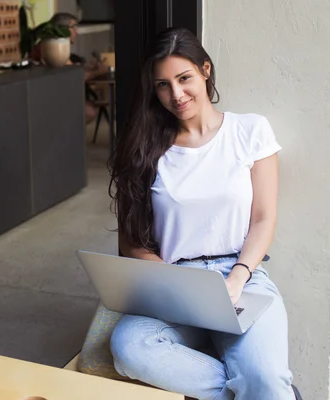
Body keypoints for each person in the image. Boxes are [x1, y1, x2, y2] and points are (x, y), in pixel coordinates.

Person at [107, 27, 302, 400]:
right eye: (163, 85)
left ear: (205, 70)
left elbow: (263, 219)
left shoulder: (250, 130)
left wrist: (239, 276)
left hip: (241, 276)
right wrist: (168, 279)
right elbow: (130, 243)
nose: (176, 95)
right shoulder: (146, 149)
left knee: (266, 377)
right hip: (178, 281)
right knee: (130, 347)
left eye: (184, 79)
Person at [30, 12, 109, 123]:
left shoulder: (55, 44)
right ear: (62, 29)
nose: (76, 33)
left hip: (57, 97)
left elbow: (69, 70)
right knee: (89, 111)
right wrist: (96, 72)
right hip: (50, 101)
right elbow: (71, 78)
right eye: (73, 28)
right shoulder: (51, 48)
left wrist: (89, 67)